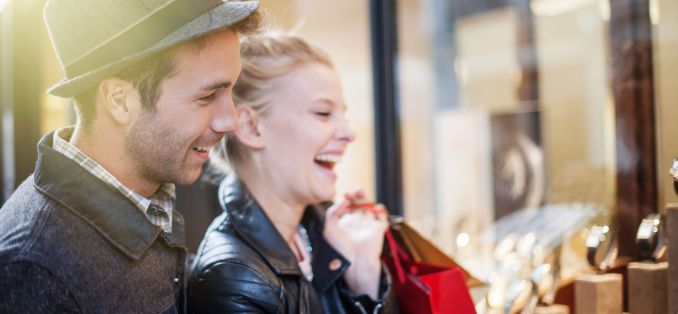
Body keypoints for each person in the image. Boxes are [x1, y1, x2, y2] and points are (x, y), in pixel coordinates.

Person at [0, 0, 261, 313]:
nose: (230, 121)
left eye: (231, 91)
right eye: (207, 97)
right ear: (120, 101)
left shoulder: (148, 196)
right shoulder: (35, 267)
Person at [188, 34, 393, 313]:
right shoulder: (234, 278)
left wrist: (364, 273)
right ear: (251, 128)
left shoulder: (318, 236)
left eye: (343, 115)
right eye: (322, 113)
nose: (349, 133)